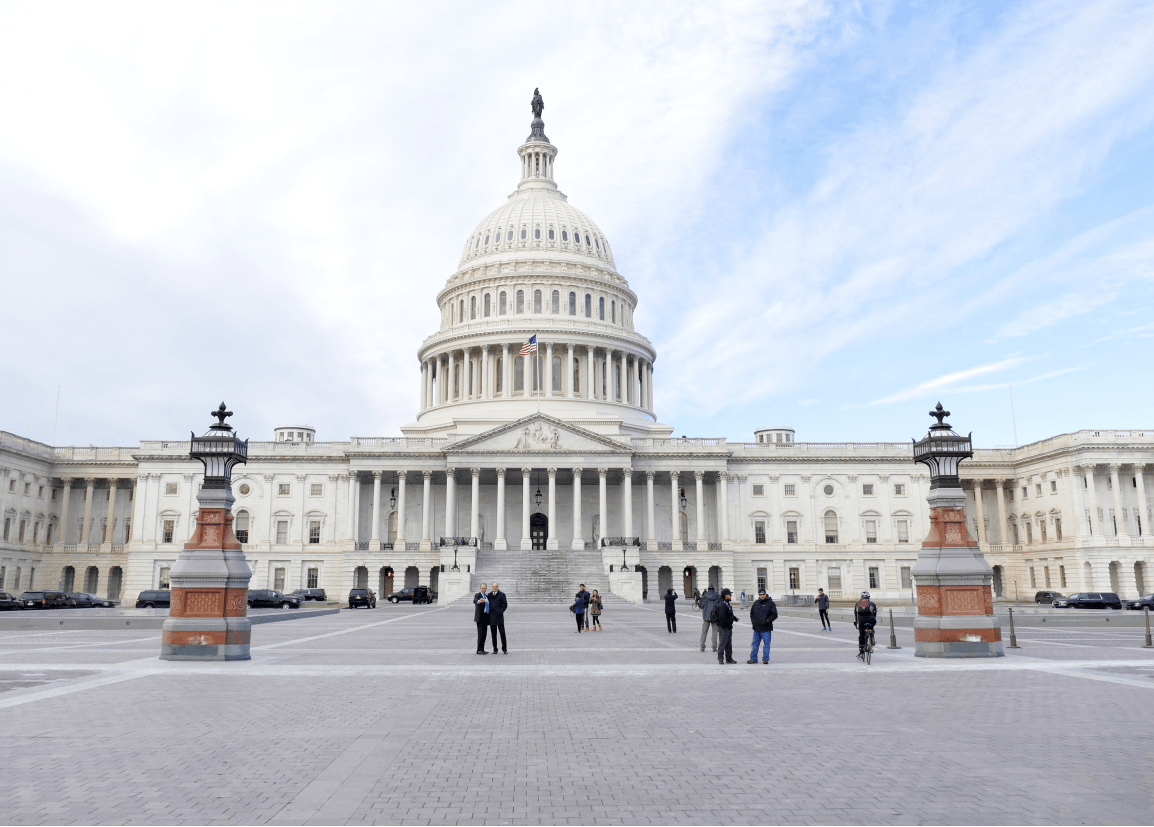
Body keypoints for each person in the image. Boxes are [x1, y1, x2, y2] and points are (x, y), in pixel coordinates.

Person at [747, 588, 778, 663]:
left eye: (763, 594)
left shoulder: (770, 603)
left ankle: (765, 659)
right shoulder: (756, 603)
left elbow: (774, 614)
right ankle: (753, 658)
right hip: (757, 628)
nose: (762, 596)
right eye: (760, 595)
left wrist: (767, 621)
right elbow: (752, 614)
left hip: (766, 628)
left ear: (765, 594)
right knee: (755, 644)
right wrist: (753, 622)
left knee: (766, 644)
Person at [715, 588, 738, 664]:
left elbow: (729, 614)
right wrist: (726, 625)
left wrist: (734, 618)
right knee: (722, 643)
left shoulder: (726, 603)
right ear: (726, 595)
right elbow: (721, 617)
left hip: (728, 627)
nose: (731, 595)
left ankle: (729, 658)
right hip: (724, 627)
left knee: (728, 644)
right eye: (729, 594)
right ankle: (720, 658)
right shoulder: (722, 604)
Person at [853, 590, 878, 660]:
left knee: (861, 635)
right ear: (869, 597)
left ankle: (861, 651)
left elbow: (856, 614)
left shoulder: (858, 604)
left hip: (861, 620)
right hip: (871, 620)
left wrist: (856, 622)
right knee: (871, 627)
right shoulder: (872, 604)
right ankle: (872, 637)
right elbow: (875, 613)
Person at [698, 585, 720, 652]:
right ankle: (714, 647)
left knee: (704, 632)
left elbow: (701, 606)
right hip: (715, 616)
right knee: (715, 632)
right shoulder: (717, 596)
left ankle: (702, 647)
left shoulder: (705, 595)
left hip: (706, 616)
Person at [488, 581, 508, 654]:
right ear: (491, 587)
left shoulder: (502, 594)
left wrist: (501, 611)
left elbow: (505, 604)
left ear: (498, 587)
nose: (495, 587)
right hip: (492, 618)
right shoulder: (489, 595)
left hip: (499, 617)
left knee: (502, 633)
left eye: (496, 586)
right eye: (493, 586)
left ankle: (504, 649)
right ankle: (495, 649)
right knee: (493, 635)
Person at [473, 583, 490, 654]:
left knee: (484, 634)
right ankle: (479, 650)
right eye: (482, 588)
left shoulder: (486, 596)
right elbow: (475, 600)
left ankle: (482, 649)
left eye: (485, 588)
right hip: (480, 618)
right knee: (480, 634)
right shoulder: (478, 595)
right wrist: (479, 601)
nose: (484, 589)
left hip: (485, 617)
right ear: (480, 588)